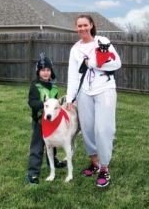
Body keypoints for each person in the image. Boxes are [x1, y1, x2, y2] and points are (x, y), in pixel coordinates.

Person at [66, 14, 121, 187]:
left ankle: (104, 168)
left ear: (91, 25)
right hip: (84, 92)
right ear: (76, 28)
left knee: (103, 129)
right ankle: (94, 162)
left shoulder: (102, 41)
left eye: (85, 25)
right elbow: (73, 75)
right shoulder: (75, 49)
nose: (82, 28)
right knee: (88, 129)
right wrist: (70, 97)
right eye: (79, 26)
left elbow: (116, 63)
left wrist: (92, 63)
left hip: (104, 89)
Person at [26, 52, 66, 185]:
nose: (45, 73)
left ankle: (51, 162)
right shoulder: (35, 86)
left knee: (52, 143)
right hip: (39, 122)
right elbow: (31, 102)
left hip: (53, 122)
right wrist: (43, 105)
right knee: (37, 146)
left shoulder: (54, 87)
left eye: (48, 70)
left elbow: (57, 105)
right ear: (38, 72)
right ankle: (32, 173)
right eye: (43, 70)